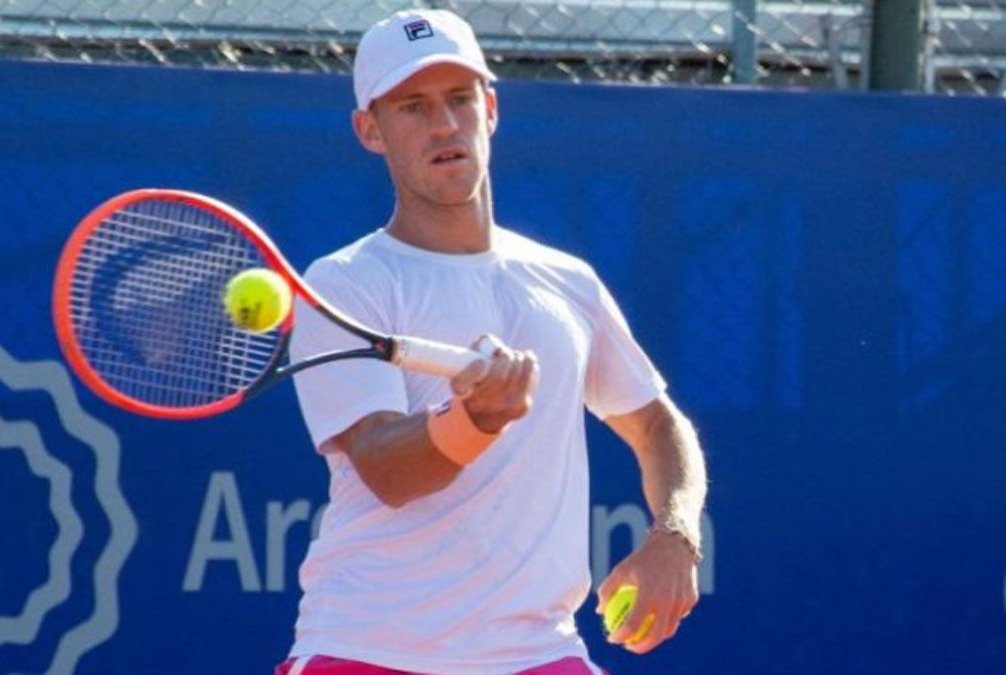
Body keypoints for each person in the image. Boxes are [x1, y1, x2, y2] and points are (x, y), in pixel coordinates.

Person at [279, 9, 707, 675]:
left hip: (539, 651)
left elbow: (657, 425)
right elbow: (388, 470)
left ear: (491, 109)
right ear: (370, 130)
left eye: (459, 98)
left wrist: (675, 533)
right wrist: (472, 420)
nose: (444, 125)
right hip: (369, 649)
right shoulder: (344, 283)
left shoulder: (569, 282)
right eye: (413, 107)